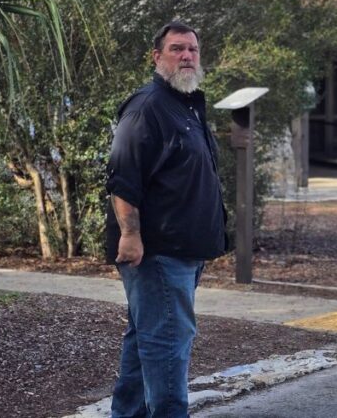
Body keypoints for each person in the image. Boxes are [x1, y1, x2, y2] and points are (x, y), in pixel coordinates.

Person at [105, 21, 229, 417]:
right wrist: (130, 234)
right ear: (157, 57)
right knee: (168, 344)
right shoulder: (147, 107)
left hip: (184, 251)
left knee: (147, 343)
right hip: (158, 252)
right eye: (177, 49)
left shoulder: (185, 105)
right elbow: (123, 177)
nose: (187, 56)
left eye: (192, 49)